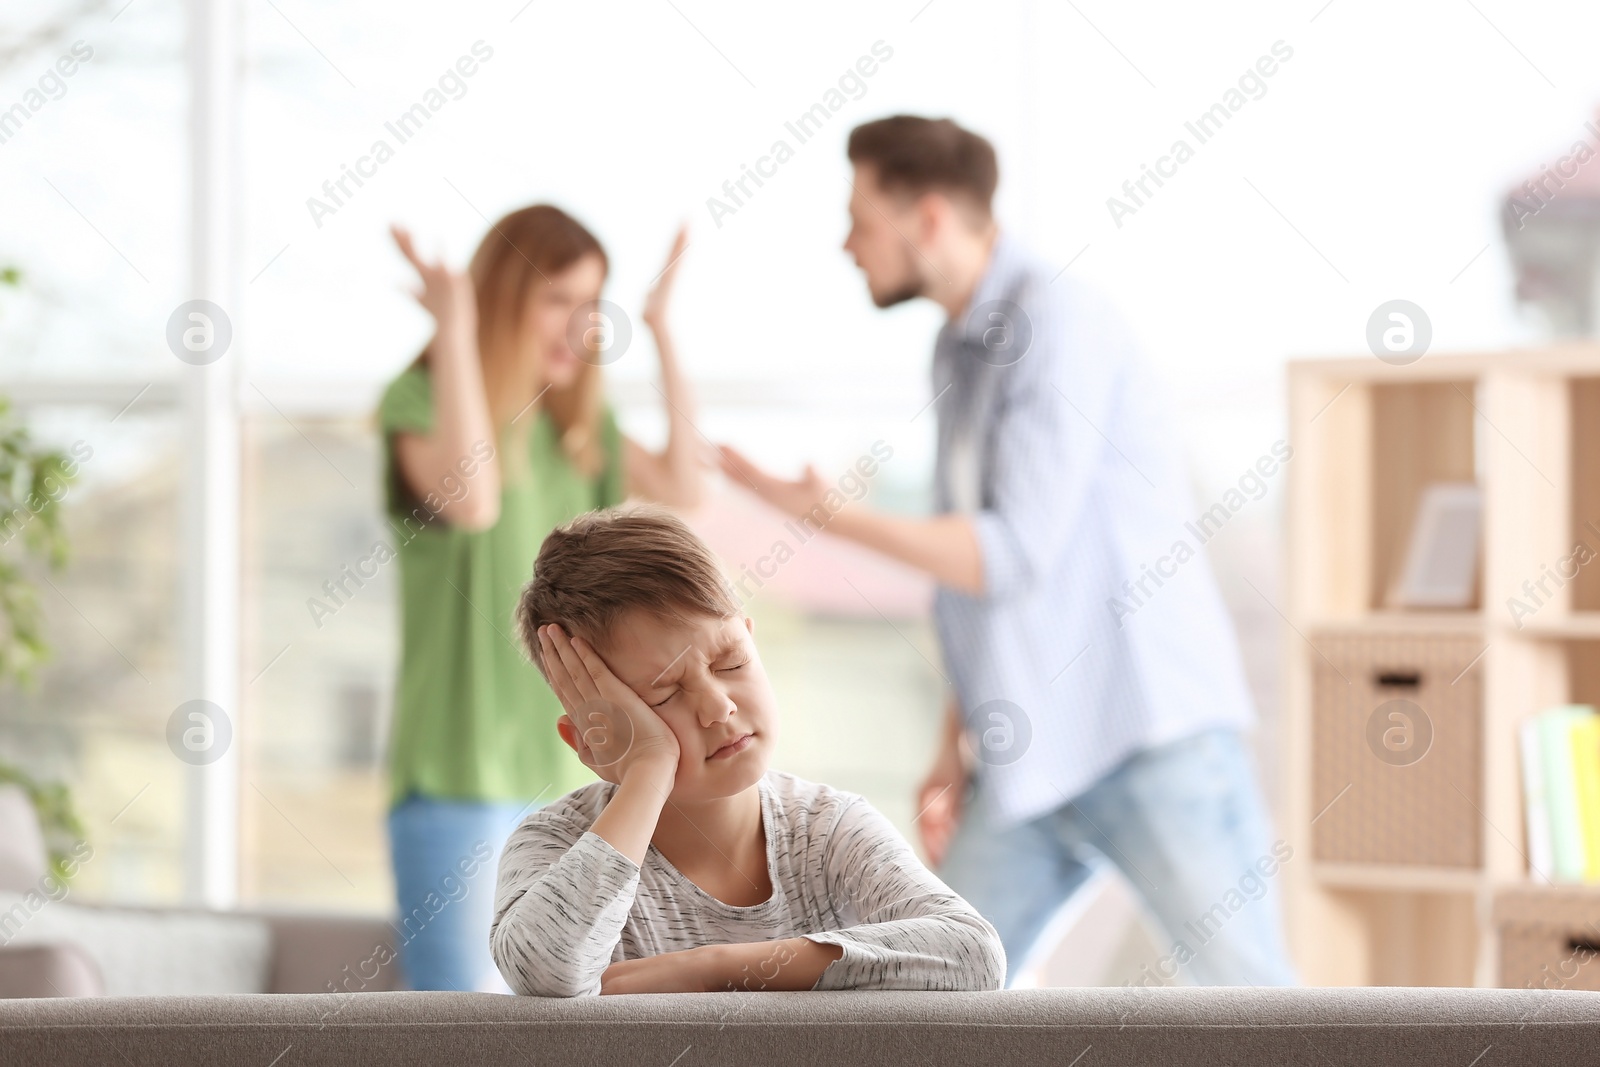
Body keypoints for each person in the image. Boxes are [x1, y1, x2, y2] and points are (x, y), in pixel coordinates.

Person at [717, 115, 1298, 986]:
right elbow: (972, 584)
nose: (846, 244)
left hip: (1146, 734)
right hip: (1032, 761)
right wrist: (953, 739)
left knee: (1255, 1006)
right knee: (930, 994)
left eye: (861, 219)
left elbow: (1010, 552)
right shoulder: (958, 346)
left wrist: (827, 516)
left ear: (932, 218)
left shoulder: (1056, 321)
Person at [379, 206, 705, 992]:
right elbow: (473, 501)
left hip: (562, 784)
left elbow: (686, 492)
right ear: (504, 298)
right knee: (461, 1038)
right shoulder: (421, 401)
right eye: (560, 299)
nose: (584, 326)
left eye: (596, 303)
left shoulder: (577, 430)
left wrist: (660, 330)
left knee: (559, 1022)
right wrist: (458, 332)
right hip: (453, 778)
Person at [491, 506, 1005, 997]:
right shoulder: (554, 842)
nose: (717, 706)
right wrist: (648, 769)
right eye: (662, 696)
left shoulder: (826, 830)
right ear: (587, 741)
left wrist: (710, 969)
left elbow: (974, 953)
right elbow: (546, 972)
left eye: (731, 662)